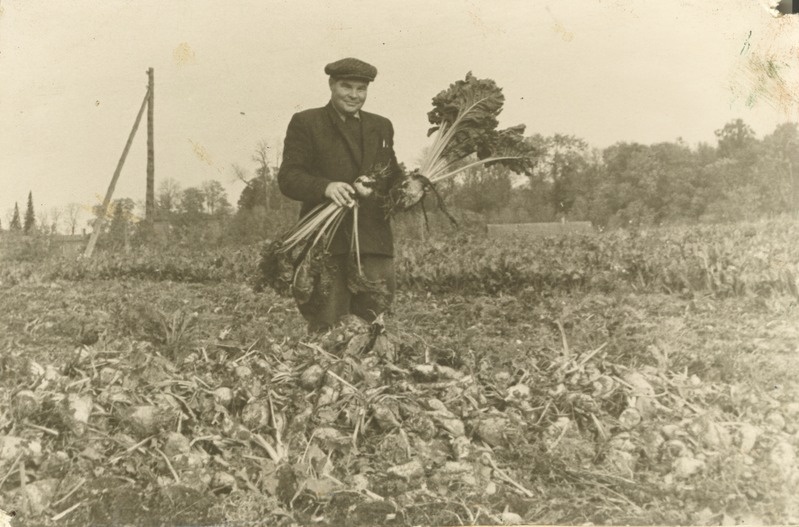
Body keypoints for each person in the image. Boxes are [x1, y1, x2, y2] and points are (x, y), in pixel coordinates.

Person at [277, 57, 401, 333]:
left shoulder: (381, 126)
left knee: (374, 328)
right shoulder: (307, 122)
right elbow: (289, 178)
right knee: (328, 327)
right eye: (347, 87)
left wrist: (406, 187)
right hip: (326, 244)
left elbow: (391, 176)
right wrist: (326, 187)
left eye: (361, 89)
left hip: (373, 244)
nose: (354, 95)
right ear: (332, 84)